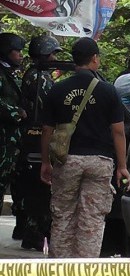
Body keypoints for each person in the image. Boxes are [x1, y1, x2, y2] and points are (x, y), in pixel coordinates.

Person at [40, 37, 130, 258]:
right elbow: (118, 132)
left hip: (67, 161)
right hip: (100, 163)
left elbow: (47, 131)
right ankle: (86, 268)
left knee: (63, 216)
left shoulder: (58, 89)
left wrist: (45, 162)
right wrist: (122, 166)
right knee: (92, 219)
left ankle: (60, 270)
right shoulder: (108, 91)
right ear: (95, 59)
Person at [19, 35, 62, 251]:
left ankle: (31, 232)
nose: (55, 58)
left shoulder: (32, 74)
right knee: (40, 191)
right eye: (53, 53)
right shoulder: (40, 78)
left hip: (30, 138)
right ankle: (36, 234)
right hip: (36, 139)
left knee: (33, 190)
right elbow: (49, 109)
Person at [0, 33, 27, 238]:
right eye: (16, 51)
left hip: (11, 141)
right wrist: (16, 112)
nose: (19, 55)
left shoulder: (12, 72)